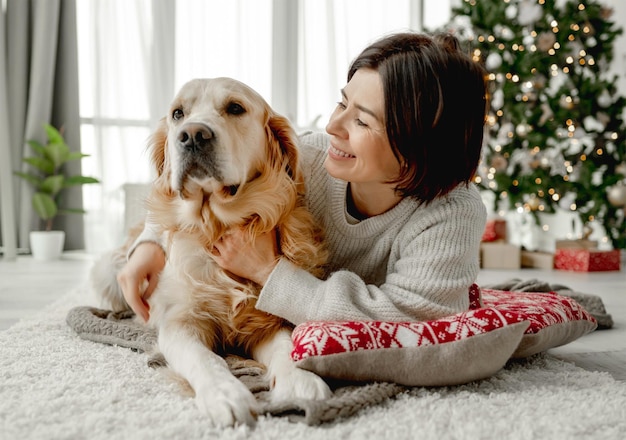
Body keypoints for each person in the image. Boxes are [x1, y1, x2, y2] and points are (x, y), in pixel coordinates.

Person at [118, 31, 488, 325]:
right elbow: (184, 180)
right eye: (342, 103)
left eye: (361, 120)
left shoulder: (452, 213)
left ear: (418, 150)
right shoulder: (306, 157)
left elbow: (405, 319)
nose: (333, 126)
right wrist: (151, 243)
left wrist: (268, 271)